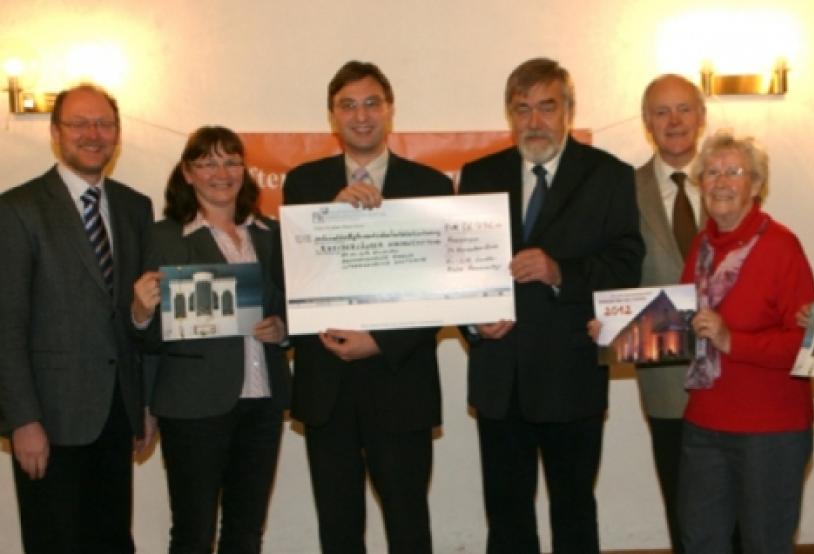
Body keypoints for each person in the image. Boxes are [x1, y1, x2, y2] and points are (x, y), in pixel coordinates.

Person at [458, 57, 644, 554]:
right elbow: (456, 271)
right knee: (506, 515)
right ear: (508, 114)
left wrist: (561, 272)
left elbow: (627, 265)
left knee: (574, 512)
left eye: (546, 107)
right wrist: (472, 323)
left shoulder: (609, 176)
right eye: (522, 109)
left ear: (568, 110)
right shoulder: (478, 175)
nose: (534, 121)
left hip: (572, 376)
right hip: (501, 378)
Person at [282, 61, 453, 553]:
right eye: (347, 105)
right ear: (332, 117)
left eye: (371, 103)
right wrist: (326, 221)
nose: (361, 115)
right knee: (337, 529)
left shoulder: (432, 186)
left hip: (401, 383)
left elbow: (442, 291)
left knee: (408, 526)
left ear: (390, 111)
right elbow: (291, 278)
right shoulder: (303, 184)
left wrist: (381, 340)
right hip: (326, 384)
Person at [0, 84, 154, 553]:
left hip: (116, 414)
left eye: (105, 124)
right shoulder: (17, 210)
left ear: (118, 134)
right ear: (55, 132)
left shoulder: (135, 207)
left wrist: (143, 403)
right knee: (55, 542)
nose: (94, 134)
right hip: (49, 419)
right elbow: (6, 325)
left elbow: (136, 316)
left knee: (112, 542)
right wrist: (22, 419)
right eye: (80, 124)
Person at [130, 126, 290, 553]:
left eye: (231, 160)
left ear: (244, 169)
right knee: (194, 532)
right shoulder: (163, 237)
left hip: (262, 402)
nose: (222, 172)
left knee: (247, 530)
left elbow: (288, 306)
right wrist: (141, 314)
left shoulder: (270, 234)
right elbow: (145, 339)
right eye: (208, 162)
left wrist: (282, 330)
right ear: (187, 173)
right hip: (192, 406)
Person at [677, 131, 814, 554]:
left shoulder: (781, 247)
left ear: (756, 185)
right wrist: (623, 331)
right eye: (711, 173)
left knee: (765, 545)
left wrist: (732, 340)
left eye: (733, 172)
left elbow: (806, 344)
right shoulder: (701, 246)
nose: (720, 182)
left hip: (769, 432)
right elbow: (686, 323)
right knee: (699, 542)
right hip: (704, 422)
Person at [633, 74, 707, 554]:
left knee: (738, 498)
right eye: (662, 112)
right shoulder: (625, 187)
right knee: (681, 500)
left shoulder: (733, 176)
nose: (674, 121)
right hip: (663, 369)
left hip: (733, 367)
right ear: (647, 124)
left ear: (701, 118)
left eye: (684, 109)